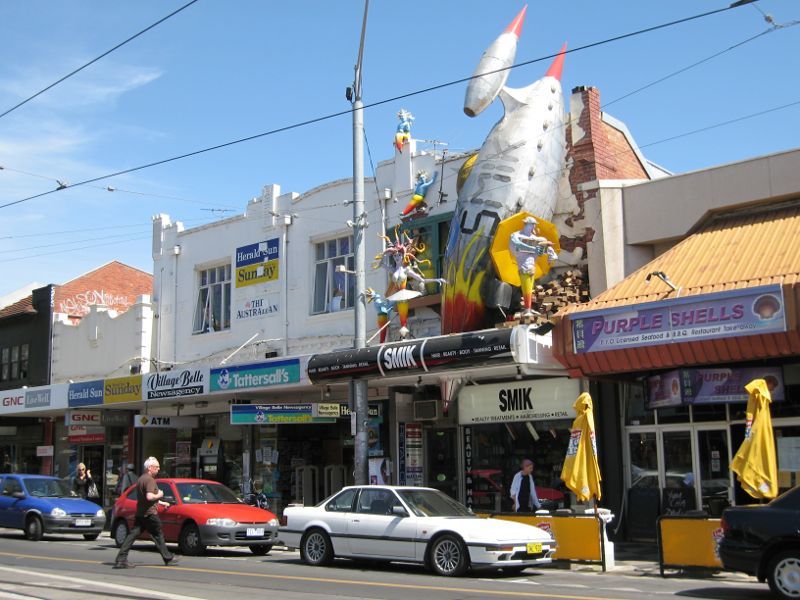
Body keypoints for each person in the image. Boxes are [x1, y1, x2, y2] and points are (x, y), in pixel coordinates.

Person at [114, 457, 179, 569]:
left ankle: (121, 558)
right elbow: (149, 496)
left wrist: (161, 502)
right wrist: (160, 494)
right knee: (158, 534)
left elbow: (145, 497)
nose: (158, 469)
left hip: (141, 512)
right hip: (150, 513)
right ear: (150, 468)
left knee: (132, 535)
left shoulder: (141, 479)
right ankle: (168, 558)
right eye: (156, 467)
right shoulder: (150, 480)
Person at [509, 216, 558, 315]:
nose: (533, 227)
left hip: (531, 267)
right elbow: (518, 244)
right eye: (532, 224)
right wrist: (533, 249)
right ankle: (527, 309)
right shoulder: (516, 235)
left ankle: (528, 308)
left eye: (534, 225)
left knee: (529, 289)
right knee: (526, 288)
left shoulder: (536, 238)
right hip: (523, 267)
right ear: (526, 224)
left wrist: (551, 252)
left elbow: (544, 245)